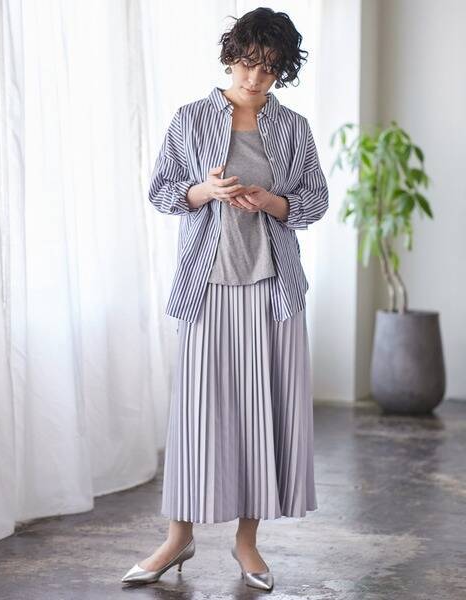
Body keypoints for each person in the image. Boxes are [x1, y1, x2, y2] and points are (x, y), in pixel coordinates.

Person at [121, 7, 329, 591]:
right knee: (196, 416)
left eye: (269, 68)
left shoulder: (294, 128)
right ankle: (177, 538)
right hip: (207, 286)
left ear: (282, 71)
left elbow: (315, 201)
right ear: (230, 56)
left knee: (261, 414)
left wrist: (271, 202)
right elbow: (161, 191)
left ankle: (247, 543)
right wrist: (203, 191)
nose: (255, 78)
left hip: (272, 288)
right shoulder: (190, 119)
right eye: (247, 63)